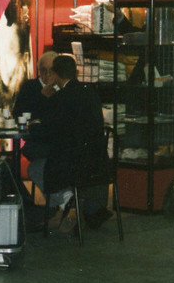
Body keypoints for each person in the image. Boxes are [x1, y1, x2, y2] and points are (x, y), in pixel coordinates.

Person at [28, 54, 112, 231]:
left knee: (35, 167)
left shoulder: (61, 98)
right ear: (77, 72)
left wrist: (44, 100)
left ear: (56, 75)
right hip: (97, 162)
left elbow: (48, 129)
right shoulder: (91, 94)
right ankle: (79, 204)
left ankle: (66, 200)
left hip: (73, 165)